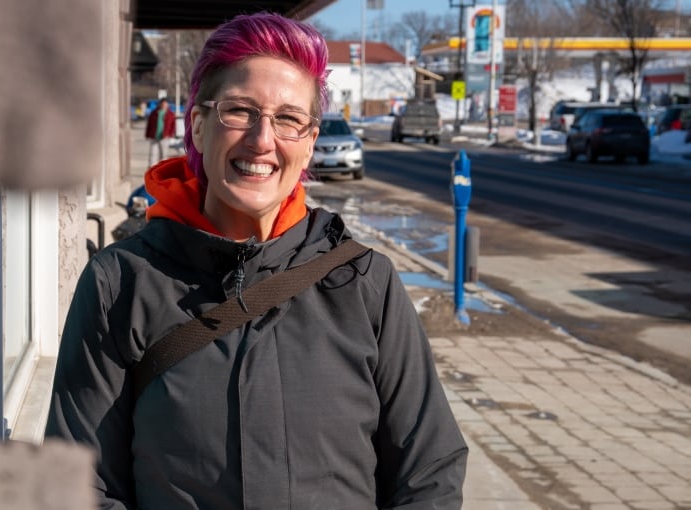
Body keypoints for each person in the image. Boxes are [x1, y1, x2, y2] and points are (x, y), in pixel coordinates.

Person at [46, 12, 467, 510]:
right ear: (199, 127)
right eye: (240, 111)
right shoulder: (121, 284)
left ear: (309, 143)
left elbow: (429, 471)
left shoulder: (364, 283)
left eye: (289, 119)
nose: (262, 140)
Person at [144, 97, 176, 166]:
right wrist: (147, 135)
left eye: (165, 104)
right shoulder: (154, 113)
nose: (164, 105)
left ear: (167, 105)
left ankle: (162, 172)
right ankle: (151, 171)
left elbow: (173, 126)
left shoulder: (171, 114)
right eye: (162, 104)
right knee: (153, 155)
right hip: (154, 137)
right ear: (159, 104)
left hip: (165, 137)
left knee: (163, 156)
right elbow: (149, 124)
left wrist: (170, 134)